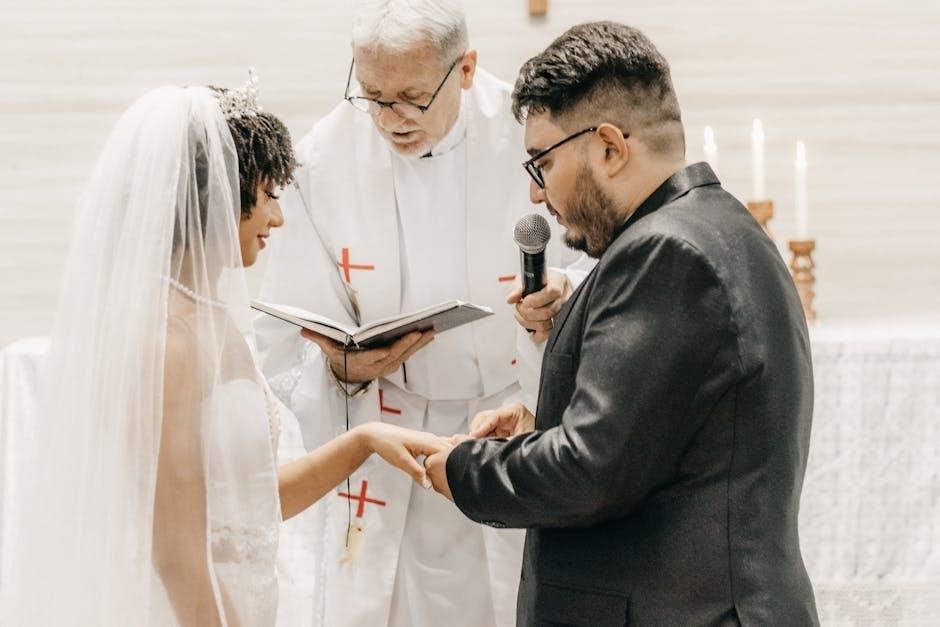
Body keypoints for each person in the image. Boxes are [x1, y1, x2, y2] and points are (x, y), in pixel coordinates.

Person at [1, 79, 446, 627]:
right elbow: (177, 555)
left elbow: (247, 508)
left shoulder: (209, 320)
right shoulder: (167, 339)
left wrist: (365, 440)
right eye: (269, 195)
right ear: (220, 197)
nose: (278, 218)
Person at [425, 21, 820, 626]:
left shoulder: (665, 253)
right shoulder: (720, 227)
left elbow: (589, 472)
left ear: (608, 147)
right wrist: (542, 427)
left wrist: (463, 469)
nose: (536, 196)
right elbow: (654, 443)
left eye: (542, 164)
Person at [254, 2, 588, 625]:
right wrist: (342, 371)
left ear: (466, 69)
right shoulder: (323, 160)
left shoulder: (537, 134)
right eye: (372, 95)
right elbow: (283, 338)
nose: (389, 119)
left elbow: (604, 262)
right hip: (389, 442)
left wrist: (562, 294)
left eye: (410, 98)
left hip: (514, 420)